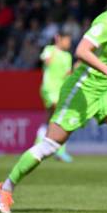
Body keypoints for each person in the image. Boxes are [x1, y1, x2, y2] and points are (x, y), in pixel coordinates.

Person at [0, 0, 107, 213]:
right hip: (82, 89)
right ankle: (5, 187)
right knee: (50, 146)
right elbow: (82, 50)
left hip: (104, 90)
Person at [36, 30, 73, 163]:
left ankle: (38, 147)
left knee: (53, 119)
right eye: (66, 40)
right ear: (59, 39)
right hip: (49, 89)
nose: (68, 43)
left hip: (60, 91)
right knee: (60, 116)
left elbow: (68, 74)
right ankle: (59, 152)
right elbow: (46, 61)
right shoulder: (49, 49)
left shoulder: (68, 56)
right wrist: (55, 49)